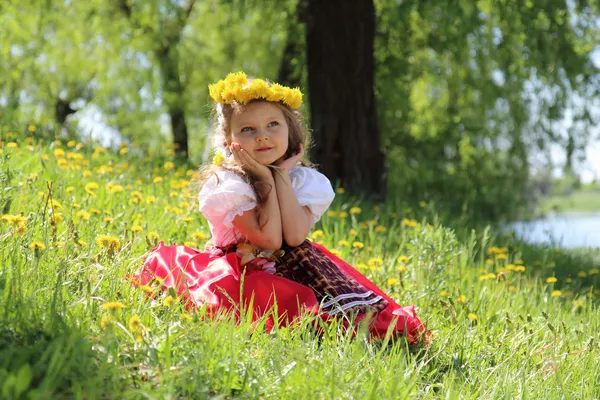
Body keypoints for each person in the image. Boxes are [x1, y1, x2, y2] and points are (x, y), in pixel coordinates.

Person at [133, 72, 427, 343]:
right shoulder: (229, 185)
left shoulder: (302, 180)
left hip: (300, 262)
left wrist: (281, 176)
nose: (262, 136)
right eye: (247, 129)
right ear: (229, 141)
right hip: (243, 266)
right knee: (270, 308)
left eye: (273, 125)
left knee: (354, 319)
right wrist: (263, 179)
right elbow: (269, 240)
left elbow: (296, 236)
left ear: (291, 131)